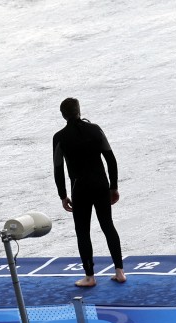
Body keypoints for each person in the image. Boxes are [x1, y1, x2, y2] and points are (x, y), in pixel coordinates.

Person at [53, 98, 126, 287]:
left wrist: (63, 195)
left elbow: (58, 169)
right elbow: (111, 159)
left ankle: (90, 277)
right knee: (108, 225)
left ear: (63, 115)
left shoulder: (60, 137)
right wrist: (114, 187)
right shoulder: (96, 129)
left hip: (80, 189)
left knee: (83, 231)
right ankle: (119, 271)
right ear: (79, 110)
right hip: (101, 185)